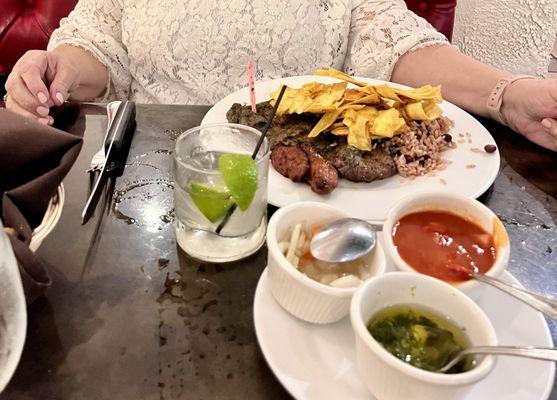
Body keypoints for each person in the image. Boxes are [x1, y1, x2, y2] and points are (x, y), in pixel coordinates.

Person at [4, 0, 557, 151]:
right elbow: (96, 45)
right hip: (148, 174)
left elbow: (394, 42)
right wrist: (58, 71)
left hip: (305, 182)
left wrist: (506, 96)